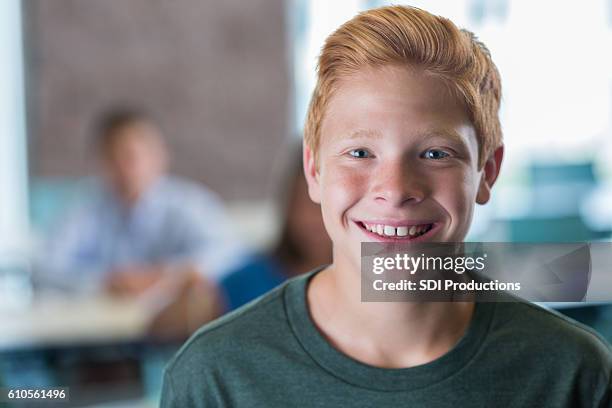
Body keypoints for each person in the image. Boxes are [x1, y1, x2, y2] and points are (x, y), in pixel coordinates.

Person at [160, 6, 611, 406]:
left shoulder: (572, 374)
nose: (395, 189)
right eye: (360, 153)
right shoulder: (215, 377)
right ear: (314, 172)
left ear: (487, 173)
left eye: (435, 153)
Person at [42, 109, 245, 313]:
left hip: (171, 328)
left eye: (132, 155)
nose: (125, 167)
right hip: (96, 327)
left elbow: (230, 254)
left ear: (160, 155)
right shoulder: (84, 205)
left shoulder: (189, 203)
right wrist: (106, 281)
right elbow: (46, 266)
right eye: (113, 156)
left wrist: (166, 275)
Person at [219, 145, 332, 311]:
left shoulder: (374, 276)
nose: (315, 219)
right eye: (306, 202)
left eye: (329, 203)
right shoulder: (246, 281)